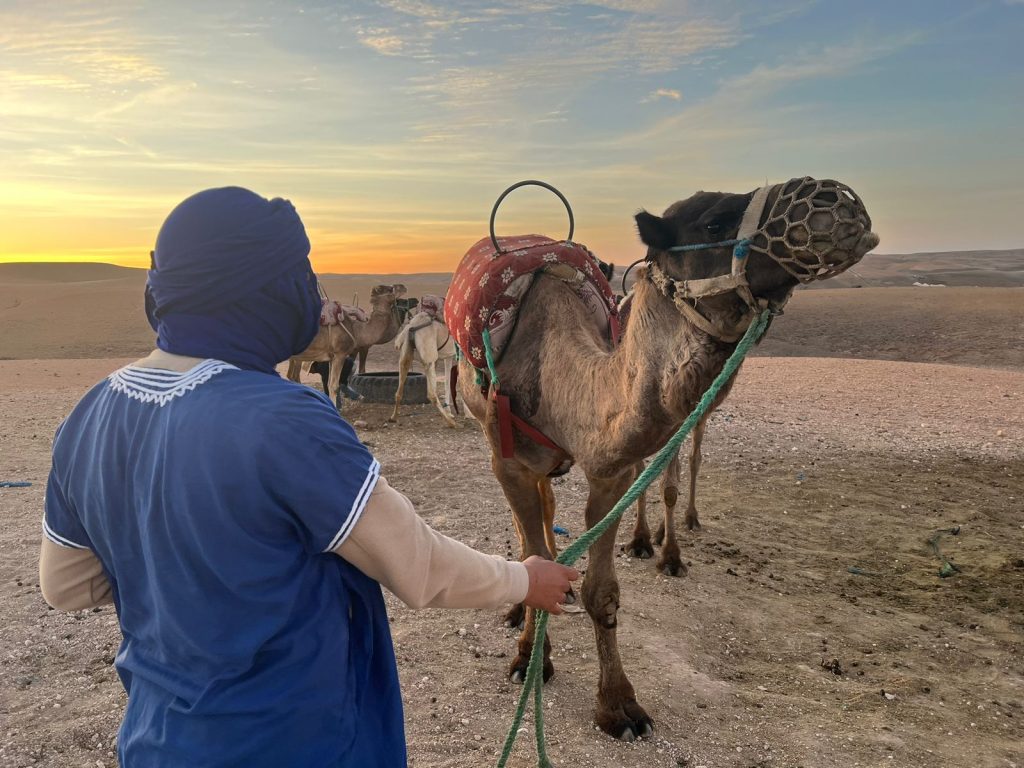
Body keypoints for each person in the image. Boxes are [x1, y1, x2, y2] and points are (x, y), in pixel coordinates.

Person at [39, 187, 578, 768]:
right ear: (264, 291)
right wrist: (524, 581)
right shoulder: (283, 419)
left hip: (158, 741)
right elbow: (418, 567)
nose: (311, 292)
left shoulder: (89, 415)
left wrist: (180, 572)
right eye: (300, 273)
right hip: (292, 739)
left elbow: (65, 587)